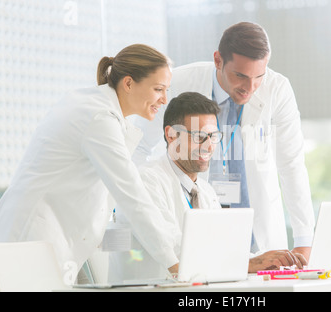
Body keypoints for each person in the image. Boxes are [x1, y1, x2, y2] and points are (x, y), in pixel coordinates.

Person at [0, 44, 180, 284]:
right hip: (32, 241)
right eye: (158, 89)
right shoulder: (99, 118)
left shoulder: (98, 109)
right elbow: (132, 196)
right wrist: (174, 264)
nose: (164, 99)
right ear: (128, 83)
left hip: (54, 241)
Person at [132, 22, 315, 261]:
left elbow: (292, 164)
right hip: (198, 222)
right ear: (218, 60)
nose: (250, 88)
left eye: (259, 76)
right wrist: (130, 207)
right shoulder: (177, 83)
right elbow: (139, 147)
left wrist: (303, 240)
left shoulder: (277, 89)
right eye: (240, 75)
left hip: (260, 230)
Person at [108, 92, 306, 282]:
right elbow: (174, 247)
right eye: (199, 136)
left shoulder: (205, 191)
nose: (210, 145)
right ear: (171, 135)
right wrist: (249, 263)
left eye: (213, 136)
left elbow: (223, 247)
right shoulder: (145, 181)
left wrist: (269, 261)